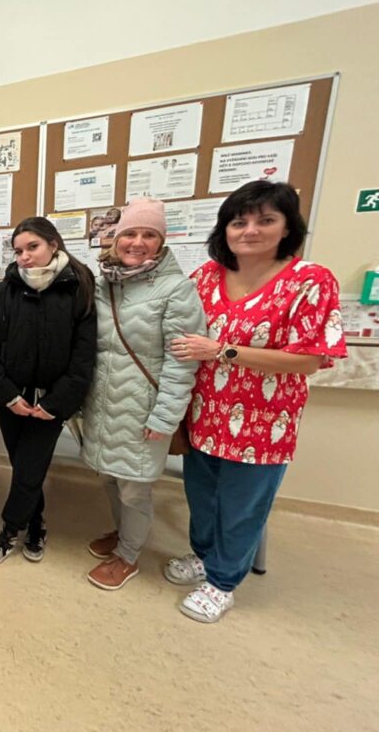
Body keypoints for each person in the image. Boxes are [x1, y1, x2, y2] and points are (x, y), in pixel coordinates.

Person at [166, 180, 346, 622]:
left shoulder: (310, 280)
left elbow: (309, 360)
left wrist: (223, 351)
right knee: (201, 497)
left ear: (287, 227)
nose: (250, 230)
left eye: (265, 220)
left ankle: (223, 582)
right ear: (224, 229)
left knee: (242, 507)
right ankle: (203, 557)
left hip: (264, 423)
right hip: (204, 412)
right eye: (239, 221)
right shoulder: (206, 277)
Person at [80, 198, 204, 590]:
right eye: (130, 233)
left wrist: (165, 416)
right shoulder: (104, 284)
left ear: (161, 241)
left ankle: (128, 556)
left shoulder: (177, 289)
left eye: (149, 234)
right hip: (102, 403)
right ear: (116, 238)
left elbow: (182, 362)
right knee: (109, 476)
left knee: (134, 487)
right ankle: (123, 535)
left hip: (143, 408)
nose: (137, 242)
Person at [0, 217, 97, 567]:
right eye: (18, 251)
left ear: (53, 244)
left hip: (51, 400)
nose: (25, 257)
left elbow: (83, 356)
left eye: (33, 247)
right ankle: (36, 523)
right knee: (25, 466)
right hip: (11, 399)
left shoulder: (78, 288)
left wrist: (55, 403)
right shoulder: (2, 292)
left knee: (29, 467)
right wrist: (8, 396)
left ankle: (10, 530)